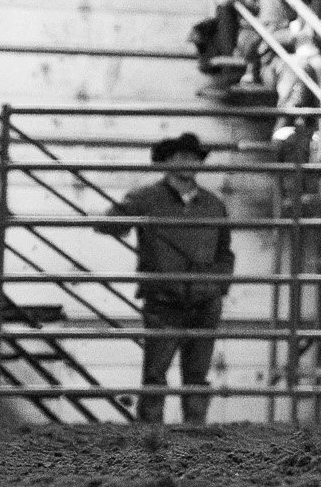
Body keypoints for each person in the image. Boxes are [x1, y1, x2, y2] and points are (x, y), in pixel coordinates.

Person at [94, 133, 235, 425]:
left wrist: (217, 288)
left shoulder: (214, 205)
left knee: (195, 376)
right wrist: (119, 213)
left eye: (193, 156)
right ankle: (151, 440)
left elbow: (224, 252)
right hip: (164, 301)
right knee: (157, 375)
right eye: (180, 156)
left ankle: (191, 440)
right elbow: (109, 224)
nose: (187, 162)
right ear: (167, 162)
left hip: (203, 300)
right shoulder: (145, 199)